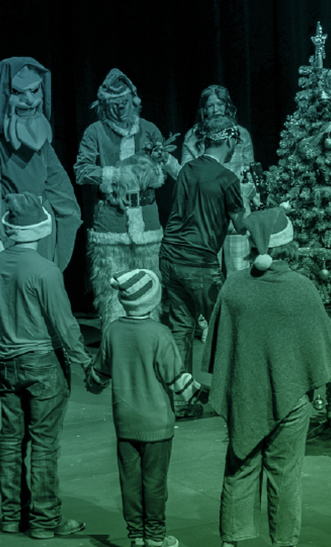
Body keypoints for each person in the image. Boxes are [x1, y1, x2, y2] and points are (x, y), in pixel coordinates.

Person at [206, 207, 331, 547]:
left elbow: (218, 343)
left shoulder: (234, 287)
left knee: (239, 466)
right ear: (289, 245)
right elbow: (323, 345)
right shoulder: (300, 288)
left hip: (243, 394)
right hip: (291, 396)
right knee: (285, 472)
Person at [0, 193, 92, 539]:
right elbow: (64, 323)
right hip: (43, 363)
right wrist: (84, 361)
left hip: (8, 362)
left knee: (11, 440)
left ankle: (12, 516)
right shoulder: (46, 271)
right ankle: (45, 521)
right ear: (42, 226)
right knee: (44, 444)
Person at [85, 269, 205, 547]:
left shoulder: (113, 330)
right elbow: (176, 379)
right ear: (153, 301)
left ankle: (136, 538)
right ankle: (154, 539)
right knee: (154, 482)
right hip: (157, 424)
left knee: (130, 481)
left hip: (124, 422)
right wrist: (203, 396)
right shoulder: (159, 333)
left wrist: (91, 382)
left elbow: (99, 374)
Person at [74, 69, 178, 326]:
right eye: (114, 104)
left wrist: (148, 173)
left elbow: (166, 170)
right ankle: (115, 340)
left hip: (148, 222)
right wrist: (115, 175)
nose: (120, 109)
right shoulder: (95, 132)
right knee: (112, 286)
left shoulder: (150, 130)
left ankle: (148, 337)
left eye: (124, 103)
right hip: (112, 223)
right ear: (104, 105)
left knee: (150, 281)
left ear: (134, 100)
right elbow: (82, 170)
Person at [159, 128, 247, 417]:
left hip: (170, 255)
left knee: (181, 327)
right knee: (225, 329)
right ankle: (231, 396)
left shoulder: (187, 170)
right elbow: (241, 225)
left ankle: (183, 403)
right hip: (199, 263)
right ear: (230, 141)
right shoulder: (227, 179)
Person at [0, 57, 82, 273]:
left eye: (35, 90)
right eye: (17, 92)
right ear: (1, 96)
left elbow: (60, 190)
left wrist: (69, 219)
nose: (29, 100)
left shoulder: (43, 149)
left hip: (42, 228)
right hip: (11, 229)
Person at [177, 85, 259, 276]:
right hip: (206, 211)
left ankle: (237, 305)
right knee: (207, 273)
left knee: (239, 270)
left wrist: (250, 196)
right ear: (203, 109)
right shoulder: (193, 136)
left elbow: (250, 169)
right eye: (210, 105)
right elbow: (185, 172)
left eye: (219, 104)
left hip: (236, 209)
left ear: (227, 106)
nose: (215, 110)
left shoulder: (241, 134)